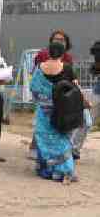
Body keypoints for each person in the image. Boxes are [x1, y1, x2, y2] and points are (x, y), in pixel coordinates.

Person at [30, 42, 77, 184]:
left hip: (43, 112)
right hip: (61, 111)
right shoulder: (67, 68)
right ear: (63, 54)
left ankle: (45, 169)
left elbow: (34, 89)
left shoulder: (40, 68)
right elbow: (75, 88)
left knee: (44, 138)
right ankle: (62, 171)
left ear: (48, 52)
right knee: (61, 140)